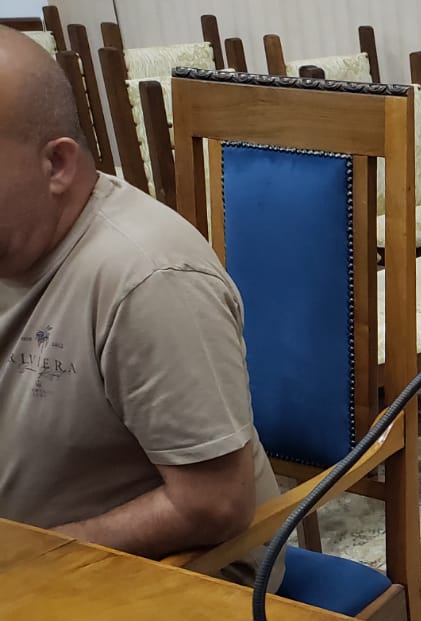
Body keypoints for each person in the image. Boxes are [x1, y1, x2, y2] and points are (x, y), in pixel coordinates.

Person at [0, 27, 279, 587]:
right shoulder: (16, 238)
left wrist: (34, 559)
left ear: (56, 165)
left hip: (170, 578)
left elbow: (214, 505)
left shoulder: (148, 278)